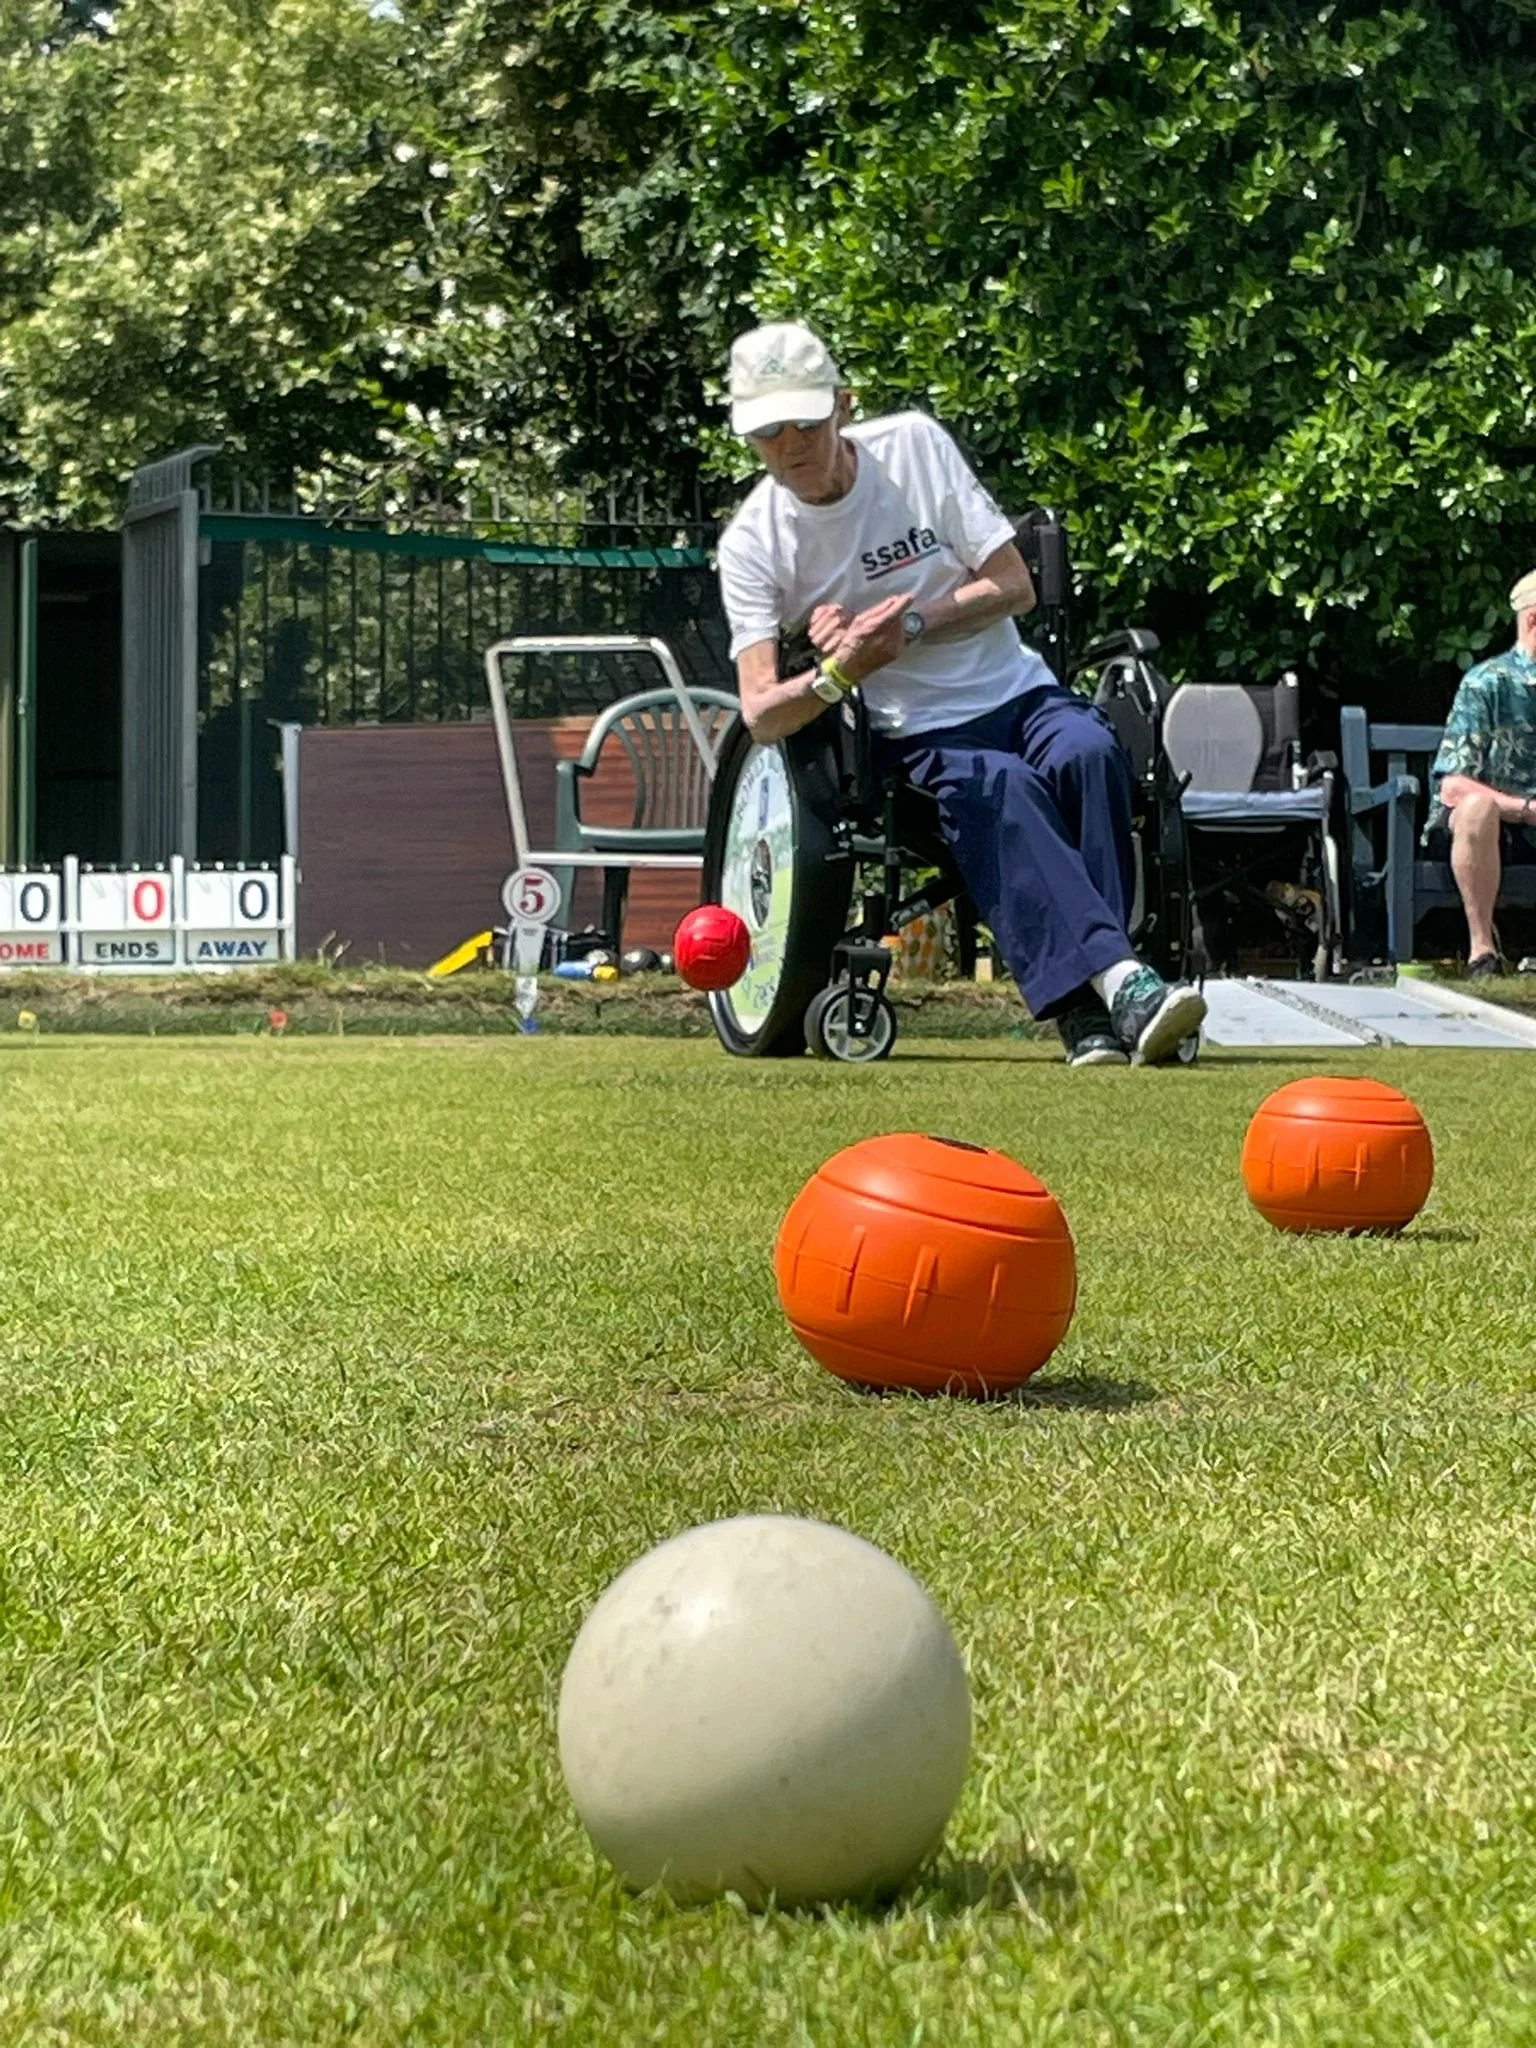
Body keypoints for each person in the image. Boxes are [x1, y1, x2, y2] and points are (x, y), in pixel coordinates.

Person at [714, 319, 1208, 1066]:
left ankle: (1097, 1011)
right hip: (915, 735)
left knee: (1088, 752)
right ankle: (1120, 987)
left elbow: (1015, 586)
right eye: (768, 431)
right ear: (746, 437)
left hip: (1020, 692)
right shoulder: (752, 544)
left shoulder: (913, 445)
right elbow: (761, 712)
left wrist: (911, 622)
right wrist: (842, 668)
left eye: (805, 423)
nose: (790, 445)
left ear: (843, 406)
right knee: (1002, 787)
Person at [1428, 568, 1536, 977]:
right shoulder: (1487, 683)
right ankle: (1482, 952)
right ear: (1533, 620)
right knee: (1477, 807)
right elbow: (1453, 785)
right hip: (1492, 830)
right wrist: (1526, 808)